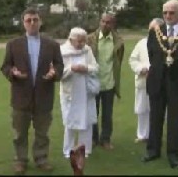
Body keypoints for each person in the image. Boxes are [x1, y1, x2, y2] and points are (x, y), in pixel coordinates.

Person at [0, 7, 64, 175]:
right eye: (29, 20)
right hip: (21, 96)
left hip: (44, 96)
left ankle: (41, 159)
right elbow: (5, 66)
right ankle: (20, 161)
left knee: (42, 133)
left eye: (35, 20)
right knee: (19, 133)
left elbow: (59, 65)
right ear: (23, 23)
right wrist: (12, 73)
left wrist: (54, 73)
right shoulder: (14, 45)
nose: (32, 23)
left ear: (40, 22)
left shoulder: (52, 44)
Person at [142, 0, 178, 169]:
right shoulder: (155, 32)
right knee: (155, 118)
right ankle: (153, 150)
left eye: (172, 12)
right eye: (165, 13)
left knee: (175, 121)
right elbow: (151, 54)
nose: (168, 16)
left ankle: (173, 155)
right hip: (157, 81)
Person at [60, 27, 99, 159]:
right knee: (70, 122)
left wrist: (86, 68)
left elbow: (95, 67)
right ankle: (68, 150)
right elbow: (59, 74)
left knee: (87, 121)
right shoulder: (62, 51)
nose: (82, 44)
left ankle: (85, 149)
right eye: (79, 41)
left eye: (84, 41)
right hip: (70, 93)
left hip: (86, 91)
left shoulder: (87, 50)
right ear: (71, 39)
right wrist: (71, 69)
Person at [87, 13, 124, 150]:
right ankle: (93, 138)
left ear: (113, 24)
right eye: (103, 21)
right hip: (93, 83)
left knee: (107, 115)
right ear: (99, 22)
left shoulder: (118, 41)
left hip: (109, 83)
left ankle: (106, 139)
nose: (104, 24)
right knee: (93, 113)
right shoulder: (89, 39)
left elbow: (118, 61)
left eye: (108, 22)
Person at [129, 18, 164, 144]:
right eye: (150, 28)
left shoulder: (165, 43)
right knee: (142, 109)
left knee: (156, 109)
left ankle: (154, 135)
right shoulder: (142, 43)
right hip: (143, 81)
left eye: (154, 29)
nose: (151, 31)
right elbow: (133, 59)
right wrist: (141, 69)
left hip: (159, 82)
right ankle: (142, 135)